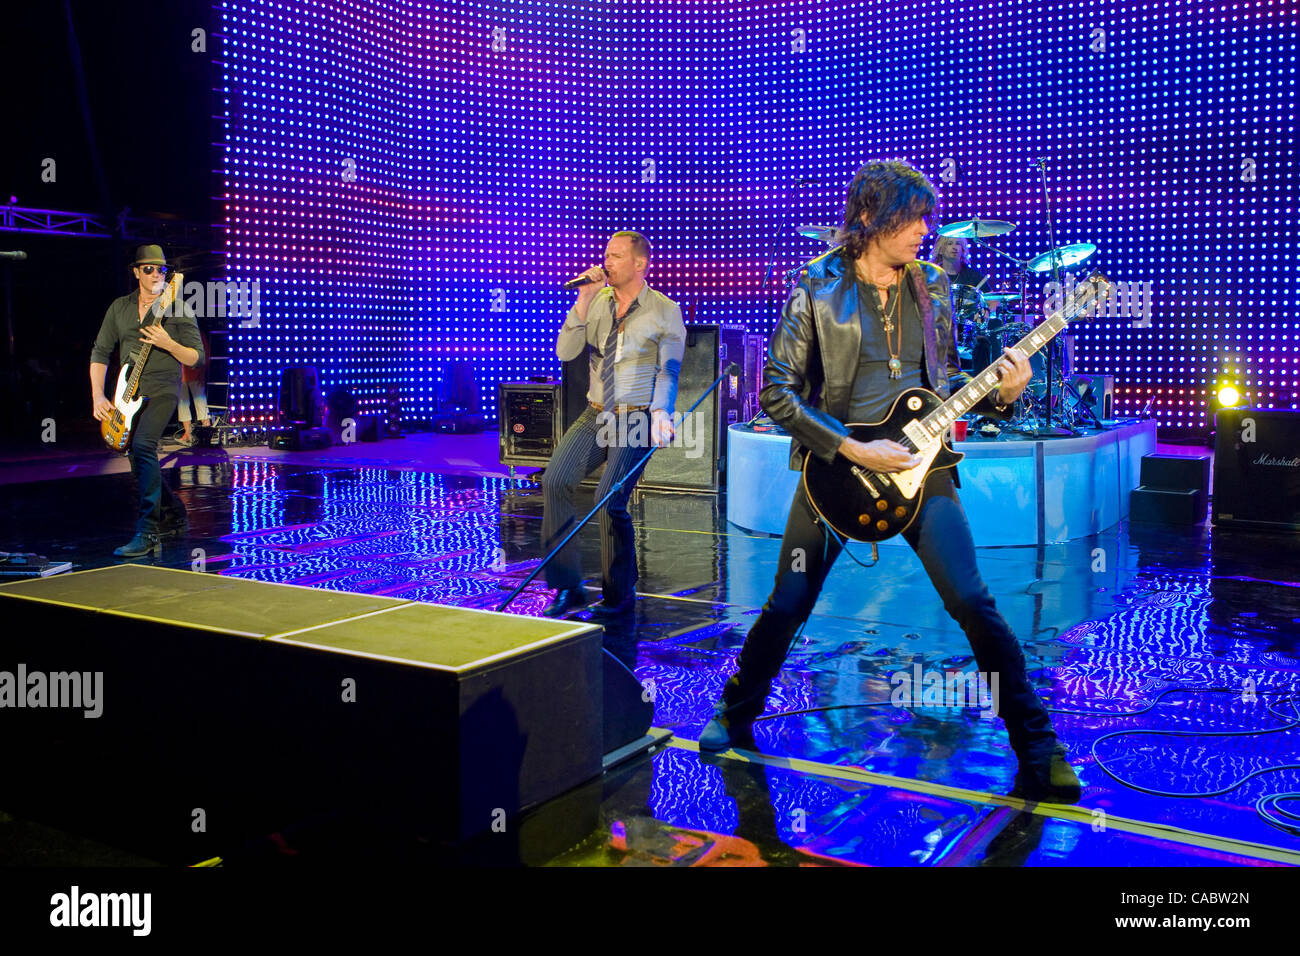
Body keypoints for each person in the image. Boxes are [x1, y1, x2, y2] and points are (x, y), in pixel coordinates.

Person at [699, 161, 1082, 803]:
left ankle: (1038, 747)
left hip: (922, 469)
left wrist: (1001, 394)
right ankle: (736, 709)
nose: (925, 232)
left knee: (973, 601)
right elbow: (776, 393)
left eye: (926, 220)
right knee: (789, 601)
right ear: (871, 218)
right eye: (912, 219)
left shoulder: (933, 285)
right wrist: (853, 447)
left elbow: (946, 383)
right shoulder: (817, 285)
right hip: (837, 471)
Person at [540, 231, 686, 618]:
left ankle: (619, 593)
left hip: (637, 415)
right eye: (606, 254)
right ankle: (568, 586)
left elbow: (669, 370)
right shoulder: (597, 301)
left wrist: (661, 412)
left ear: (640, 264)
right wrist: (583, 299)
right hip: (596, 411)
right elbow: (566, 352)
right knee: (554, 481)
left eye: (616, 256)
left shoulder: (664, 309)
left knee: (609, 500)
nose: (607, 261)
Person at [91, 245, 204, 557]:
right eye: (149, 269)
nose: (156, 274)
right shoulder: (120, 307)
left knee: (143, 445)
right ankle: (173, 512)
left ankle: (148, 531)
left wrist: (169, 343)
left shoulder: (177, 308)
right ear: (136, 272)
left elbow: (196, 358)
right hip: (128, 393)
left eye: (161, 269)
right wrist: (98, 395)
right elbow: (101, 351)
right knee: (134, 455)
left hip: (164, 388)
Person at [177, 328, 211, 445]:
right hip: (180, 374)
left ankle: (206, 430)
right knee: (182, 403)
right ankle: (188, 433)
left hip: (195, 372)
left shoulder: (197, 332)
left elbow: (205, 353)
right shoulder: (176, 332)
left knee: (200, 400)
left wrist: (202, 371)